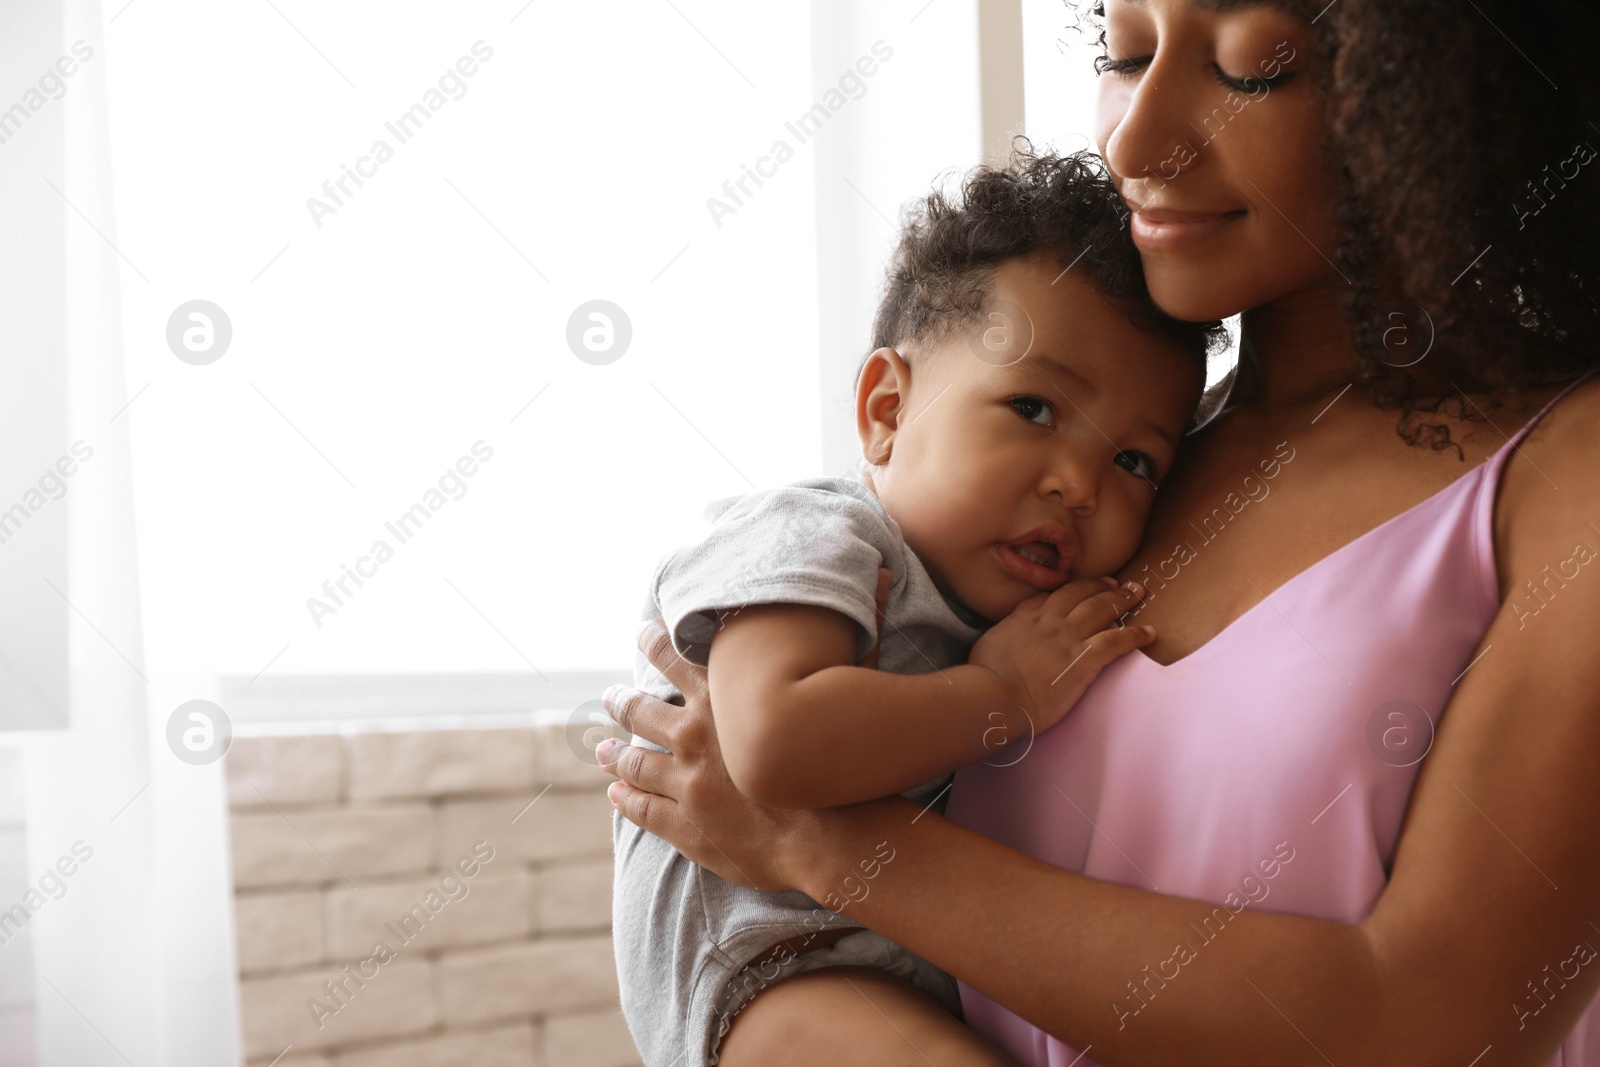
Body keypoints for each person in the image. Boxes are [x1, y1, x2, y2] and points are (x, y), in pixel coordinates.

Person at [598, 0, 1600, 1063]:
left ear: (1449, 91)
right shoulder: (1089, 485)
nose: (1133, 139)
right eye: (1122, 54)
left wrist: (820, 842)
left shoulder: (1563, 471)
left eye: (1247, 71)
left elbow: (1432, 1023)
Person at [612, 145, 1223, 1067]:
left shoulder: (1017, 609)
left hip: (887, 957)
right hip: (767, 968)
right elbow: (775, 742)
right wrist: (1003, 696)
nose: (1078, 484)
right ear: (887, 409)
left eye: (1134, 460)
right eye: (1034, 407)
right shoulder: (818, 535)